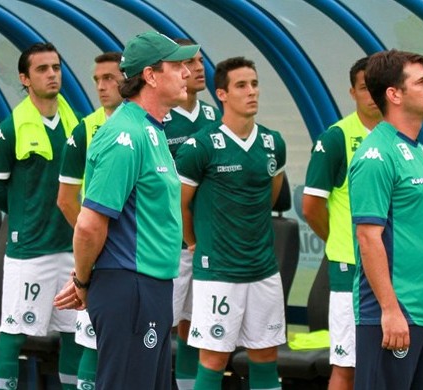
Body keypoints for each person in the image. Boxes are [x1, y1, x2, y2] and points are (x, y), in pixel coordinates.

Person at [69, 31, 196, 389]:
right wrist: (82, 280)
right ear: (151, 76)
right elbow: (89, 224)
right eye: (177, 65)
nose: (187, 72)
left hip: (148, 287)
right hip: (130, 285)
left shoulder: (151, 130)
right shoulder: (124, 135)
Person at [175, 56, 286, 390]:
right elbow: (180, 205)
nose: (251, 92)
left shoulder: (272, 143)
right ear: (221, 94)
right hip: (219, 272)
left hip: (263, 270)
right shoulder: (201, 146)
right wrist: (195, 243)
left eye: (254, 84)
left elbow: (269, 197)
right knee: (213, 360)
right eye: (241, 85)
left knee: (266, 357)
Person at [348, 49, 423, 390]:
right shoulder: (375, 156)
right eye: (421, 81)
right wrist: (390, 310)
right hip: (394, 314)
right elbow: (368, 238)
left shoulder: (421, 151)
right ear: (394, 94)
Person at [0, 42, 82, 390]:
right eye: (42, 69)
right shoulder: (10, 129)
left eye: (56, 67)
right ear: (25, 79)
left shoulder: (76, 123)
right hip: (30, 252)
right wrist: (27, 218)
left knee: (75, 334)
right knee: (12, 333)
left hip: (72, 249)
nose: (52, 74)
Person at [302, 56, 381, 390]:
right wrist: (340, 242)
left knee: (383, 366)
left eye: (377, 87)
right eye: (364, 88)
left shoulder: (400, 136)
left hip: (393, 269)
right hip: (350, 268)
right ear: (352, 92)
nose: (372, 95)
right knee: (347, 365)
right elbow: (311, 207)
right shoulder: (335, 138)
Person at [54, 51, 124, 390]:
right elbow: (66, 200)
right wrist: (95, 240)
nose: (101, 86)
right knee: (93, 341)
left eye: (109, 78)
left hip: (144, 258)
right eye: (97, 79)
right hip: (103, 256)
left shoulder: (149, 126)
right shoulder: (84, 131)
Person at [164, 38, 221, 390]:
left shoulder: (215, 116)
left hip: (204, 244)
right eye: (191, 62)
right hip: (168, 242)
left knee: (193, 326)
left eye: (202, 61)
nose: (200, 68)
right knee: (158, 326)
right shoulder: (159, 118)